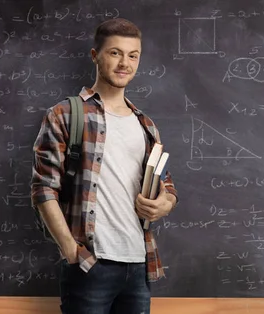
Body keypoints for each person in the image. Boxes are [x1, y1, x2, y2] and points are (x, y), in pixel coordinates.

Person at [30, 18, 178, 314]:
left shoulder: (146, 125)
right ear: (95, 55)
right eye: (115, 53)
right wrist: (70, 250)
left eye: (132, 55)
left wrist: (165, 203)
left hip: (139, 264)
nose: (125, 63)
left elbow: (167, 185)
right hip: (89, 265)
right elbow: (44, 189)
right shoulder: (66, 114)